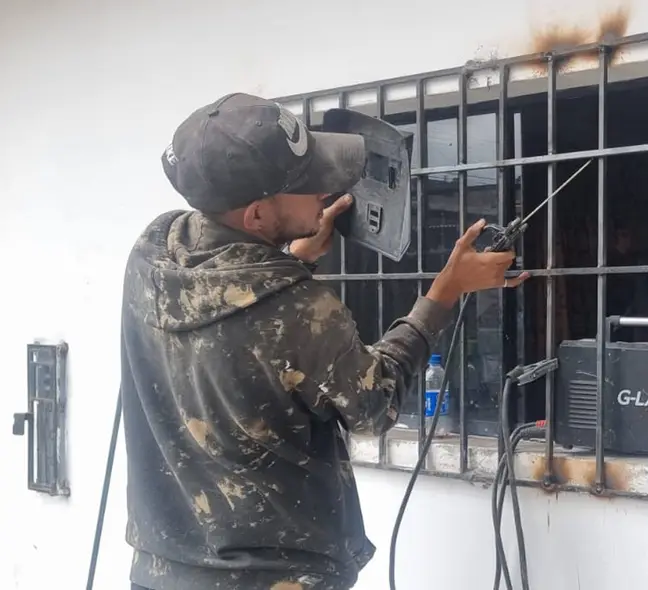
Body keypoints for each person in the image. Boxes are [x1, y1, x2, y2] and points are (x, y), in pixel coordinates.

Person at [119, 92, 529, 590]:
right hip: (274, 577)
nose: (328, 188)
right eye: (308, 182)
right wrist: (446, 293)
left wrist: (288, 253)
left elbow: (235, 316)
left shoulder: (152, 252)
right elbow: (373, 407)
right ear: (255, 217)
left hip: (161, 570)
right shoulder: (298, 308)